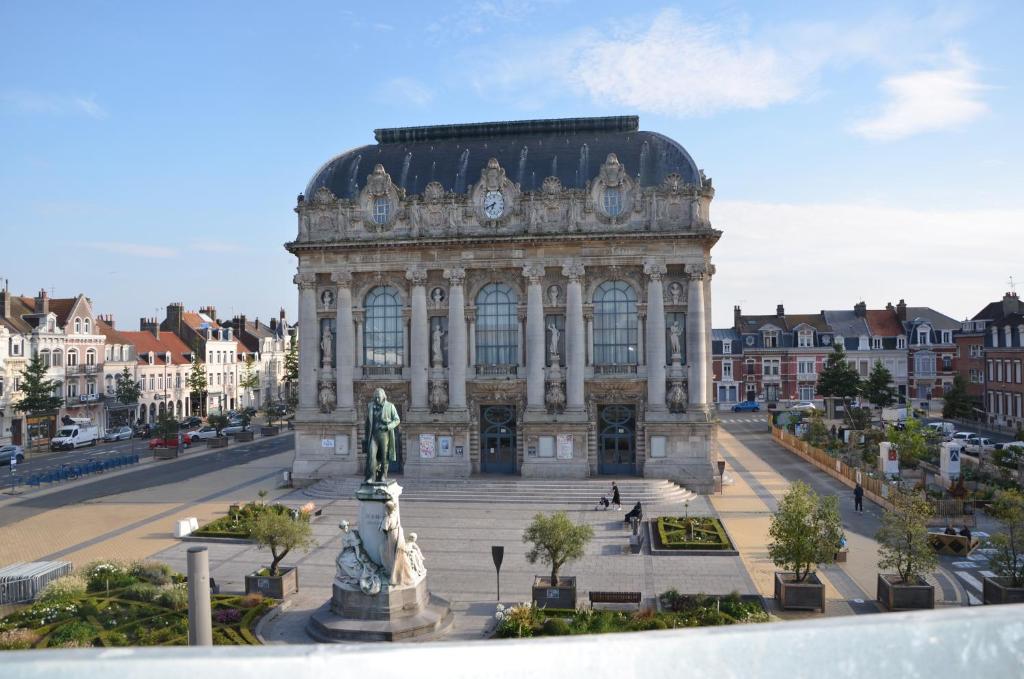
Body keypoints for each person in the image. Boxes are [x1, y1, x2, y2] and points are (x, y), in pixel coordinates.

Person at [364, 388, 400, 483]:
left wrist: (388, 427)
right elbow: (367, 422)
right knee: (371, 455)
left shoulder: (390, 406)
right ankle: (371, 477)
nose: (377, 399)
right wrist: (366, 436)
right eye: (375, 397)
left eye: (378, 397)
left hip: (385, 435)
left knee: (384, 456)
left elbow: (397, 420)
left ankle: (383, 475)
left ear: (383, 397)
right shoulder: (370, 406)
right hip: (373, 435)